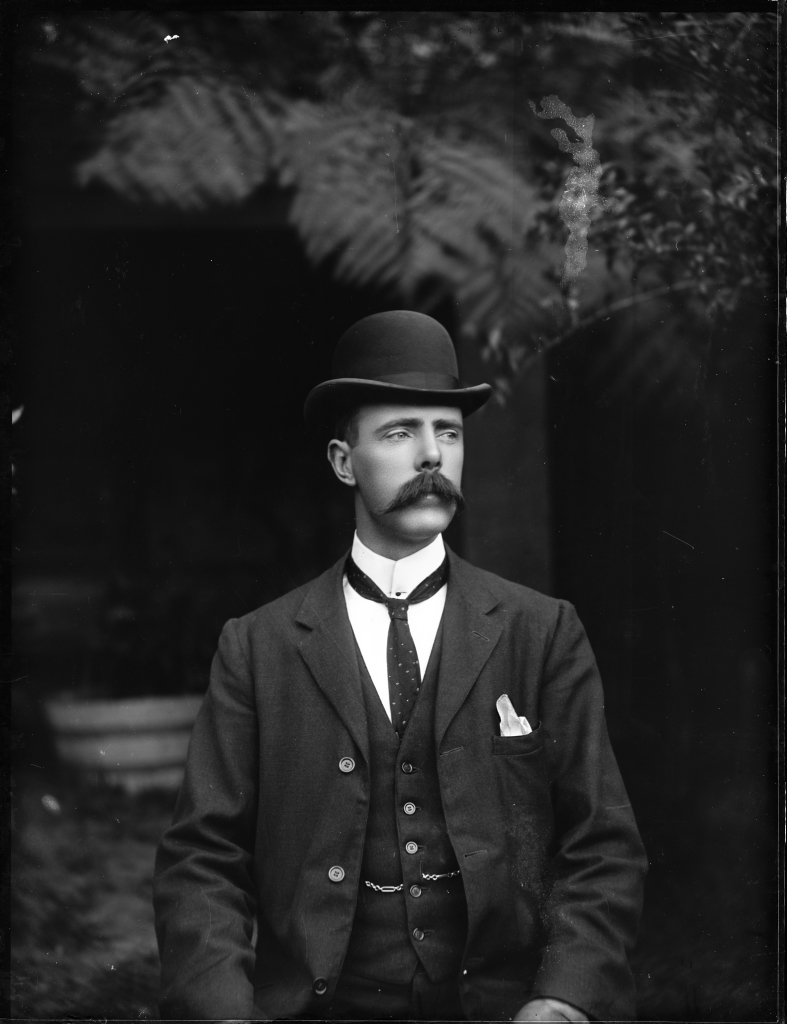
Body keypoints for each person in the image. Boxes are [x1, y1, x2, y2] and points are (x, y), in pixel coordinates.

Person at [154, 310, 647, 1022]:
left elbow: (601, 844)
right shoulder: (258, 648)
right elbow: (201, 859)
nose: (431, 456)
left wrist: (562, 999)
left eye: (448, 432)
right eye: (399, 433)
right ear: (342, 461)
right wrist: (227, 1013)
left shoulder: (542, 632)